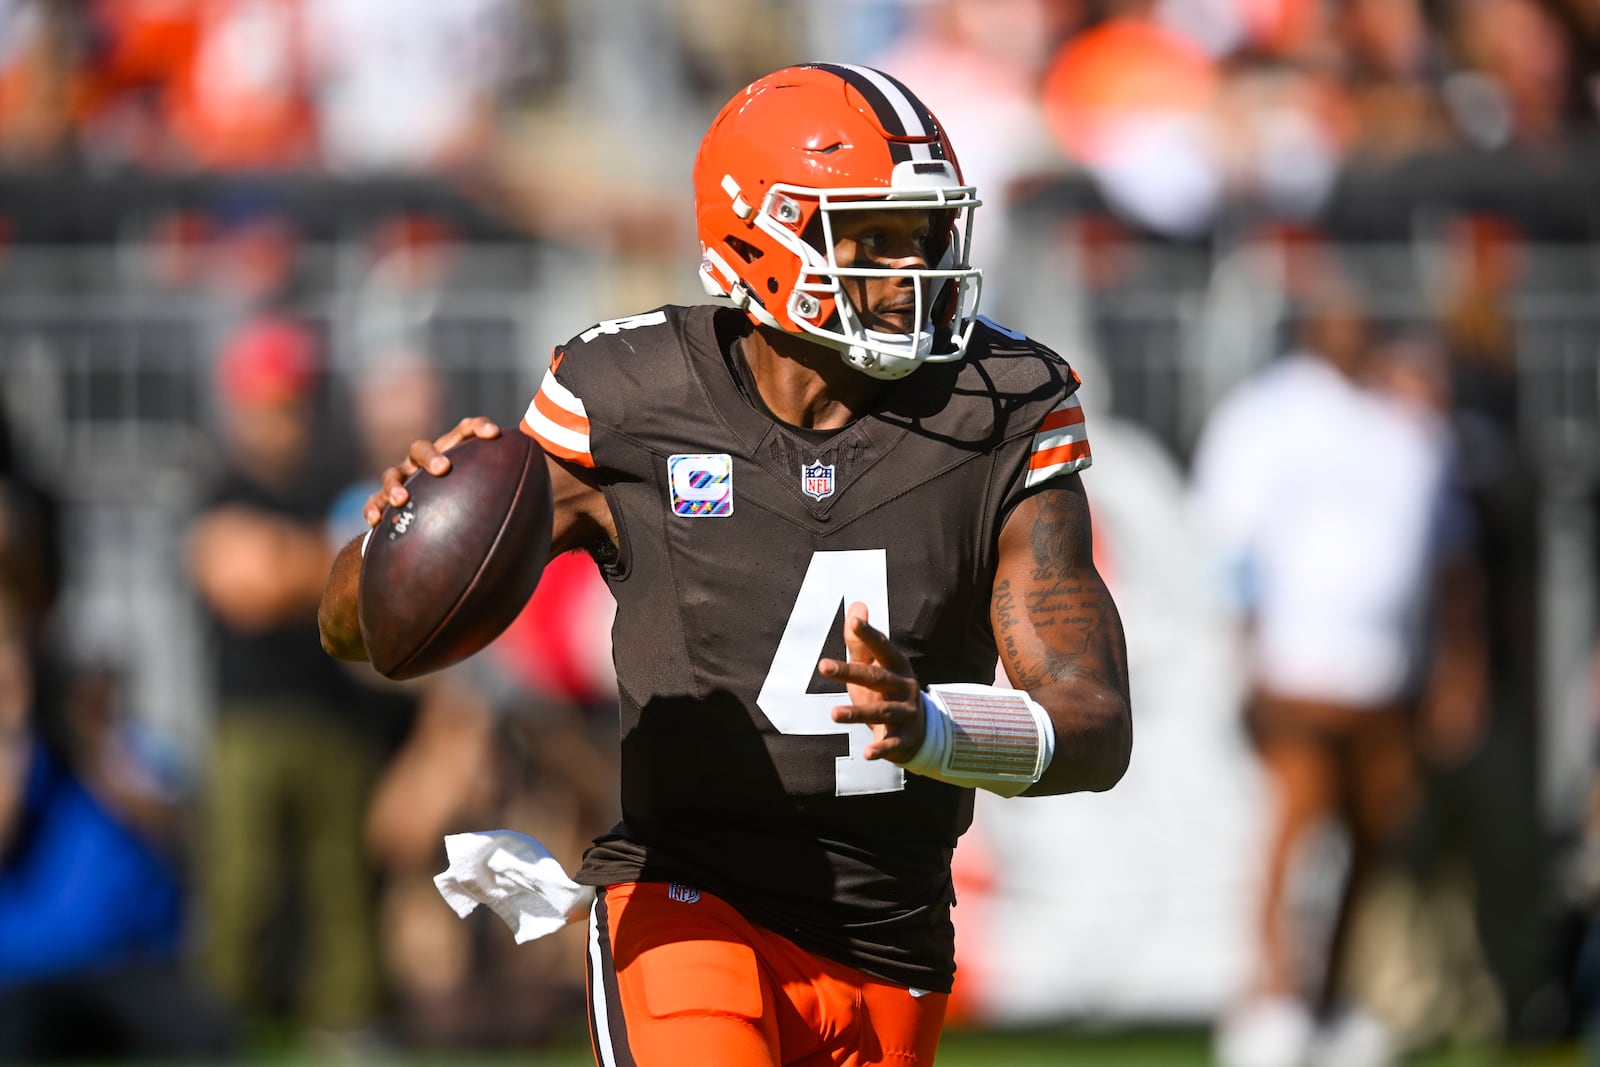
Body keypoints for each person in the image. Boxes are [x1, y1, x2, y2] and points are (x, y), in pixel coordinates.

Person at [319, 63, 1132, 1067]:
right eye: (866, 237)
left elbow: (1094, 726)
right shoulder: (629, 392)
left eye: (919, 235)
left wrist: (935, 725)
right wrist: (400, 531)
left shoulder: (1003, 406)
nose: (906, 270)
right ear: (754, 237)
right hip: (687, 897)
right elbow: (360, 628)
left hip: (894, 934)